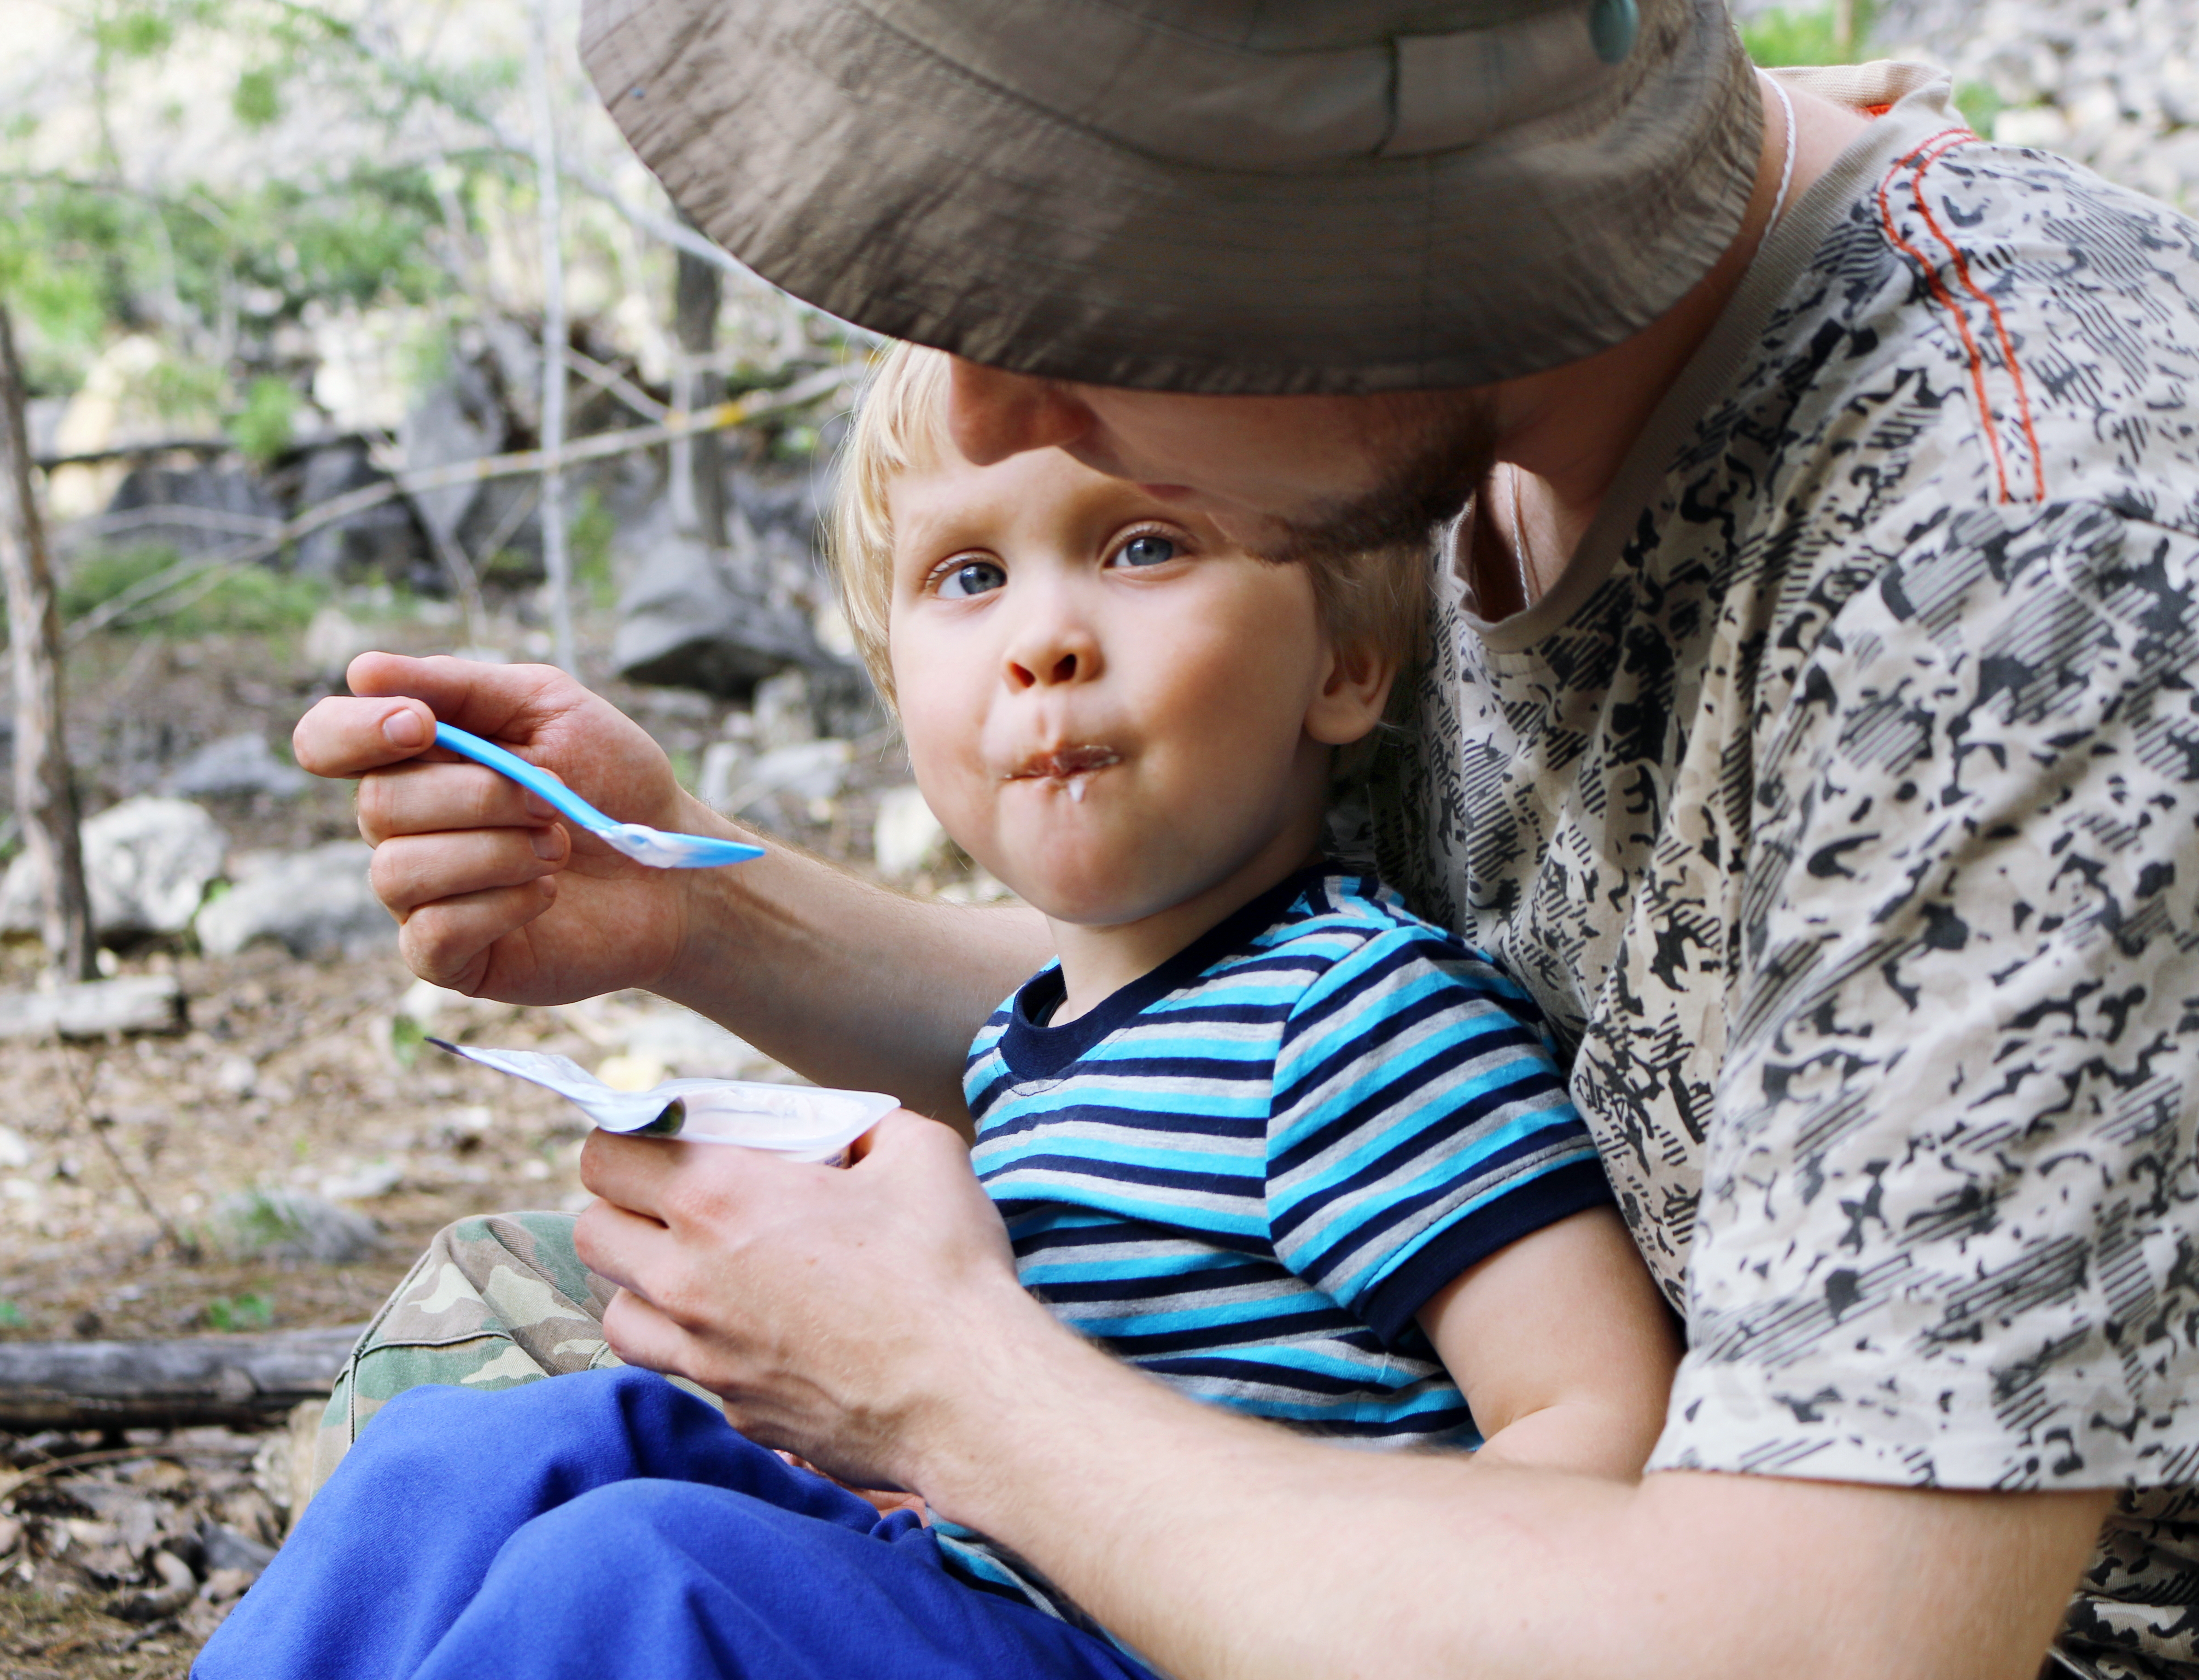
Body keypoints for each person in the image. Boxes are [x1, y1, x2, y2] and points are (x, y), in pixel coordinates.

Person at [258, 0, 2199, 1674]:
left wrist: (949, 1384)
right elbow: (1209, 1032)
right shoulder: (1417, 408)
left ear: (1387, 195)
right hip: (1295, 1521)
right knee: (478, 1448)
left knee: (638, 1587)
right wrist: (688, 901)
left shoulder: (2030, 556)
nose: (992, 402)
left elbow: (1815, 1649)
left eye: (1066, 268)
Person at [198, 342, 1684, 1675]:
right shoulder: (1027, 1037)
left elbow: (1599, 1448)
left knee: (641, 1580)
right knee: (493, 1457)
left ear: (1347, 660)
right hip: (988, 1586)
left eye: (1146, 543)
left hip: (1191, 1635)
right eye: (969, 578)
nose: (1044, 638)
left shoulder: (1360, 1021)